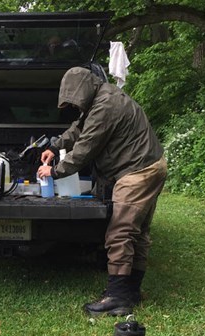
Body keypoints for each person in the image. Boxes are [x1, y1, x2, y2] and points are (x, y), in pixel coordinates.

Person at [38, 67, 167, 317]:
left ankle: (117, 298)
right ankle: (131, 291)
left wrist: (53, 172)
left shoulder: (106, 105)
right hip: (150, 164)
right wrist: (55, 145)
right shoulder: (100, 97)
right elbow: (79, 129)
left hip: (138, 171)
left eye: (74, 100)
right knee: (138, 233)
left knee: (120, 231)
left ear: (83, 89)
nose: (75, 106)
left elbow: (85, 148)